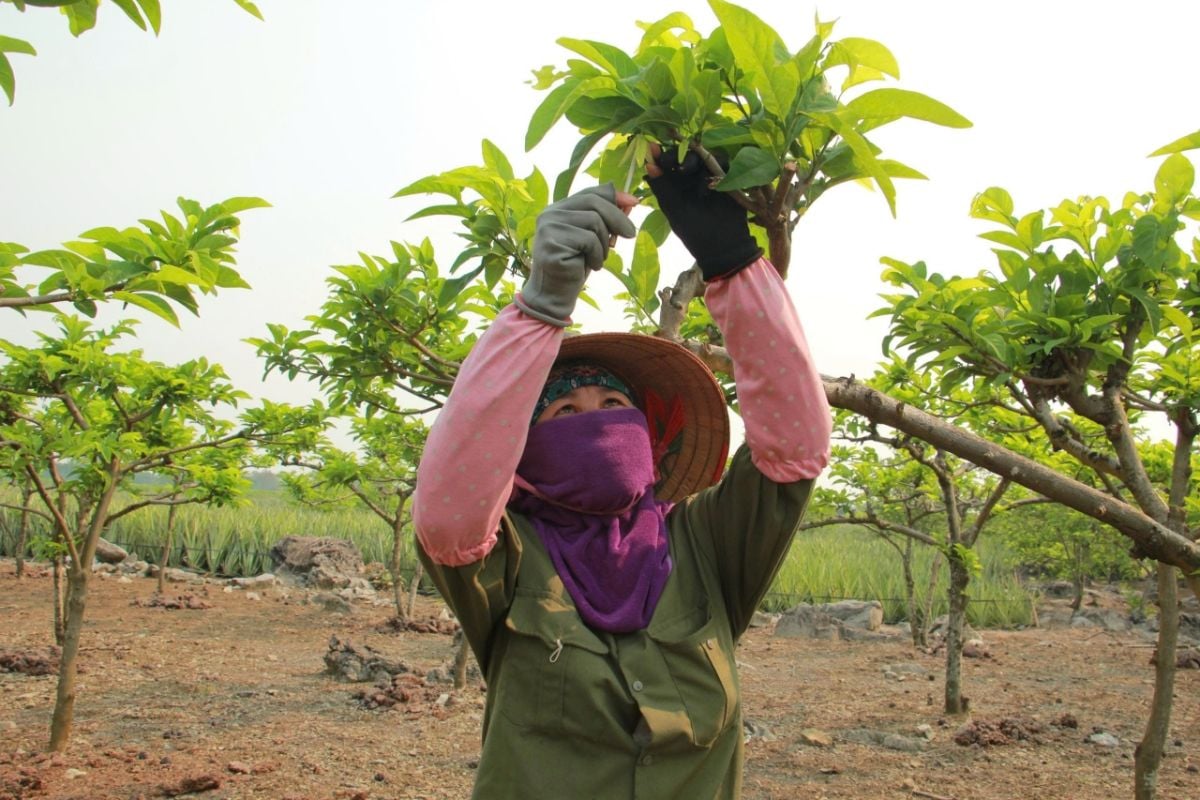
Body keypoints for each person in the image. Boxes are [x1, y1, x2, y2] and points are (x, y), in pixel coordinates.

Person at [412, 148, 832, 799]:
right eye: (564, 412)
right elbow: (447, 514)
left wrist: (732, 261)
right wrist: (540, 308)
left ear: (648, 434)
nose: (597, 424)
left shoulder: (704, 547)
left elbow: (796, 445)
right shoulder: (513, 557)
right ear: (523, 450)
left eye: (614, 407)